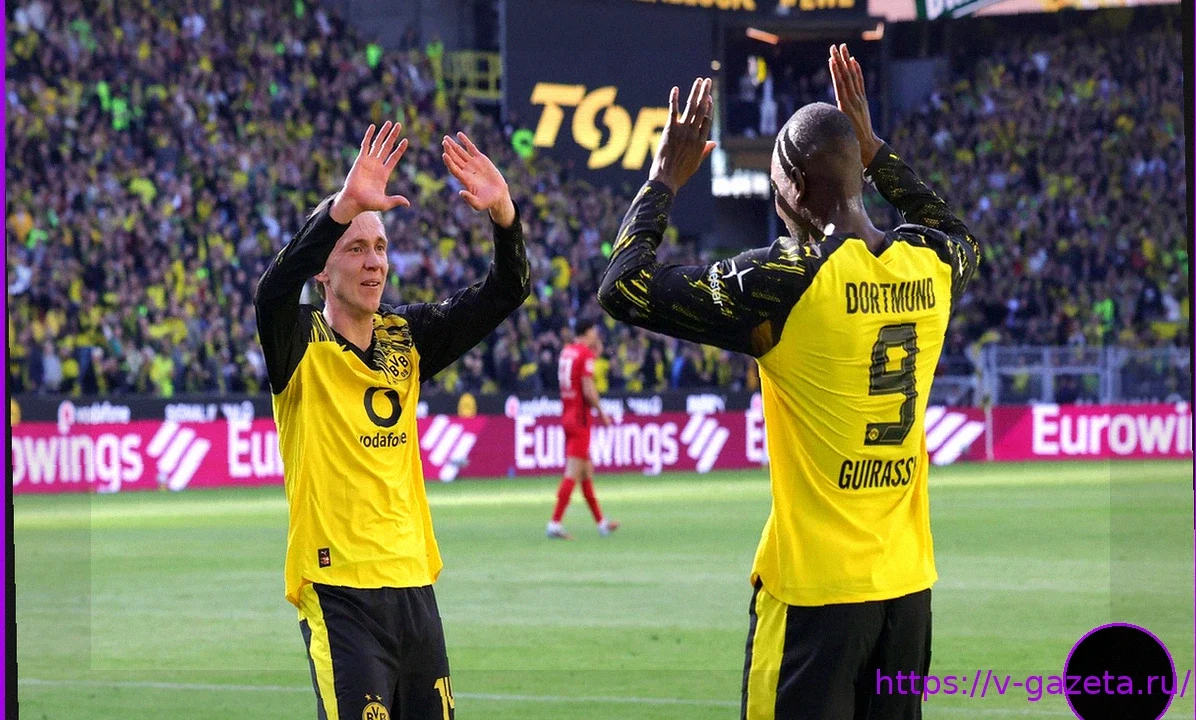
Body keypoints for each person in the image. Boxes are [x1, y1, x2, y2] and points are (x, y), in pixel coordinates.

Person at [598, 45, 979, 720]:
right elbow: (956, 230)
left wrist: (662, 180)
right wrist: (874, 150)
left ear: (797, 186)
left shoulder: (788, 278)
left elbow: (622, 287)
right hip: (906, 593)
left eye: (775, 185)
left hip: (814, 596)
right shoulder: (931, 263)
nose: (775, 201)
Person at [254, 120, 530, 720]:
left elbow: (506, 292)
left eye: (379, 248)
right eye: (355, 249)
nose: (374, 262)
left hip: (413, 584)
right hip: (340, 593)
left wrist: (505, 217)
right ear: (322, 270)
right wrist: (341, 209)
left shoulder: (407, 335)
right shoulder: (297, 342)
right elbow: (271, 292)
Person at [547, 319, 618, 540]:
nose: (596, 335)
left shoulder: (567, 352)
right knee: (572, 473)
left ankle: (602, 524)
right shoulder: (584, 354)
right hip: (580, 420)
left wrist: (596, 351)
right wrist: (602, 413)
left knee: (586, 473)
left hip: (567, 415)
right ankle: (555, 523)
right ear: (587, 332)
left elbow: (578, 372)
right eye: (594, 332)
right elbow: (588, 390)